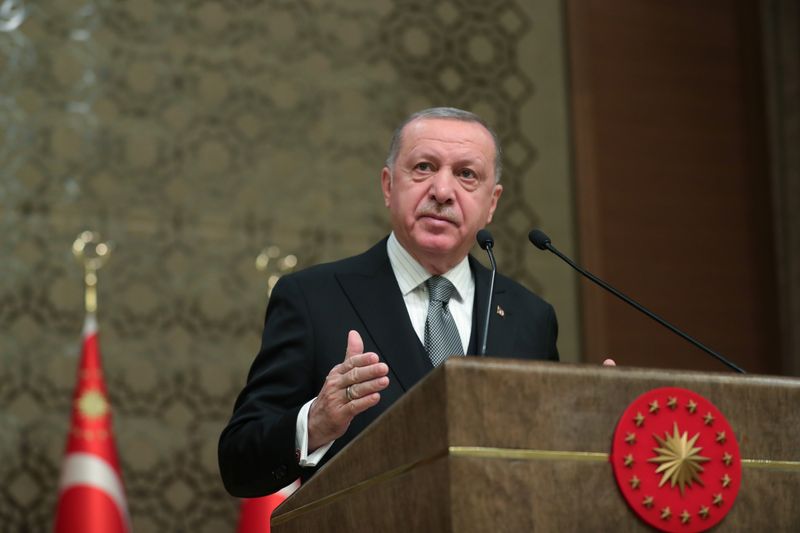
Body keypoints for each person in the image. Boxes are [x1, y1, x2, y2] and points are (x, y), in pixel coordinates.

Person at [218, 107, 559, 497]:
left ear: (492, 202)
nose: (442, 191)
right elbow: (238, 463)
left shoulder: (530, 317)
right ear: (388, 185)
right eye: (424, 167)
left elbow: (546, 463)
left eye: (466, 174)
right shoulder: (313, 299)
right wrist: (315, 423)